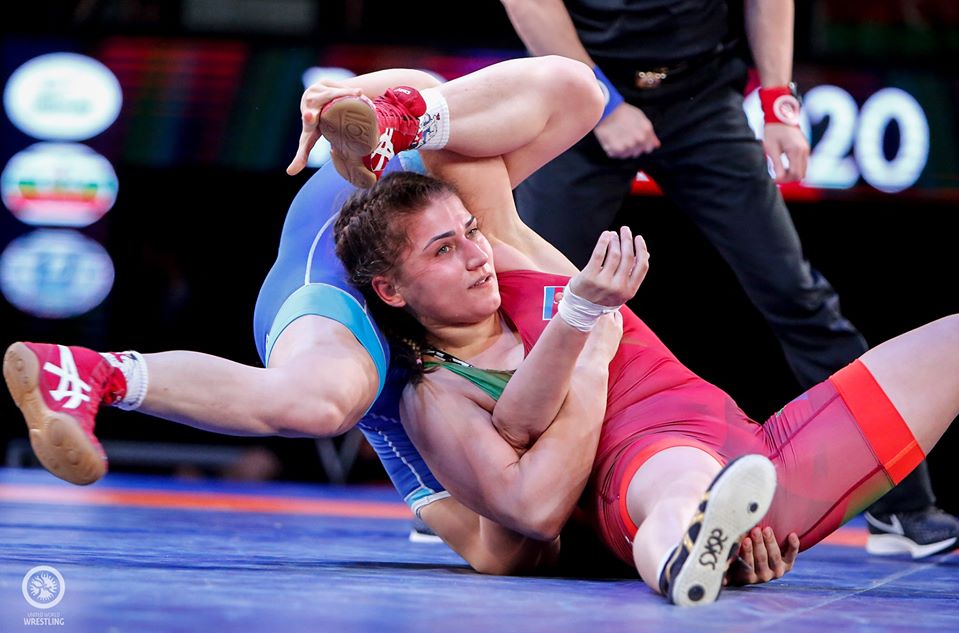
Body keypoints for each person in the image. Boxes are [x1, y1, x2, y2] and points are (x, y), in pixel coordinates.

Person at [3, 57, 793, 591]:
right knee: (578, 95)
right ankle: (393, 113)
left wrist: (683, 542)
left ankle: (92, 372)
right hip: (386, 229)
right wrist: (583, 350)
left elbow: (507, 543)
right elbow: (531, 508)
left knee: (329, 403)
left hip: (376, 290)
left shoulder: (440, 430)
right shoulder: (500, 260)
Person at [330, 128, 959, 605]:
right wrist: (583, 339)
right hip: (644, 460)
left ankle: (714, 537)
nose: (476, 254)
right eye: (444, 250)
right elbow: (531, 504)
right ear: (391, 290)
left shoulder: (511, 261)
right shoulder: (434, 390)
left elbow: (559, 94)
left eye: (471, 230)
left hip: (764, 455)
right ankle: (686, 557)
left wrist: (404, 107)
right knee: (682, 482)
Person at [498, 0, 959, 558]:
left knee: (795, 293)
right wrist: (606, 102)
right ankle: (482, 500)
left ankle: (902, 509)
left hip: (699, 95)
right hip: (583, 93)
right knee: (525, 297)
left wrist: (779, 104)